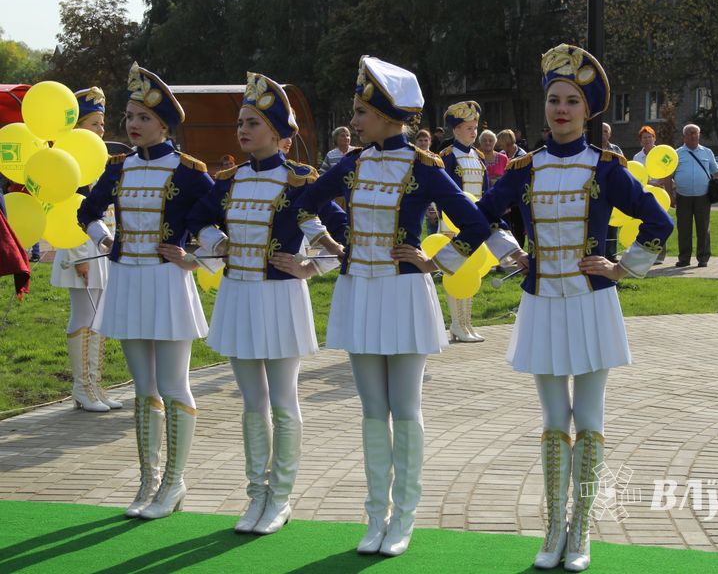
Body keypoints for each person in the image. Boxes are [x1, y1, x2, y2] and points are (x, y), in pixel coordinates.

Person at [477, 43, 673, 572]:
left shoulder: (606, 168)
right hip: (541, 304)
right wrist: (507, 251)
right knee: (551, 419)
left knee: (588, 419)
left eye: (571, 101)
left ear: (588, 111)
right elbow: (480, 214)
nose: (561, 109)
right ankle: (553, 528)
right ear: (544, 106)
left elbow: (660, 221)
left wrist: (622, 267)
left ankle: (581, 529)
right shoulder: (524, 168)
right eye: (554, 100)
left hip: (592, 305)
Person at [294, 55, 490, 557]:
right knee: (370, 411)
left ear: (385, 116)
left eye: (361, 112)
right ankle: (374, 515)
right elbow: (305, 204)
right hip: (359, 291)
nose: (354, 121)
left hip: (403, 295)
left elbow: (476, 224)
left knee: (404, 409)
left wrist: (434, 260)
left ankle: (403, 517)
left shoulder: (423, 167)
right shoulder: (352, 164)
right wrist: (332, 244)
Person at [186, 72, 347, 535]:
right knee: (252, 404)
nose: (243, 130)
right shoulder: (229, 180)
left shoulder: (301, 181)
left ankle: (280, 498)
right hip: (238, 295)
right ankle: (255, 494)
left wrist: (312, 267)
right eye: (241, 122)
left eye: (253, 122)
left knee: (283, 401)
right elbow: (197, 220)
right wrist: (217, 244)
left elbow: (345, 235)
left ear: (278, 133)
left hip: (281, 298)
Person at [77, 63, 214, 520]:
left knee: (174, 384)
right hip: (127, 281)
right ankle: (148, 481)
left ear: (164, 125)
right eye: (130, 116)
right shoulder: (118, 168)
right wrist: (104, 238)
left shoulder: (190, 172)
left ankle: (174, 482)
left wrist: (193, 257)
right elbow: (87, 211)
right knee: (143, 388)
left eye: (143, 118)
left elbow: (218, 221)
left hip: (168, 283)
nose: (133, 124)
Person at [50, 87, 120, 413]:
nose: (101, 130)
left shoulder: (97, 158)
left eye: (102, 124)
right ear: (77, 127)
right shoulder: (70, 161)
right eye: (94, 123)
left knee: (98, 317)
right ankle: (81, 387)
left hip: (99, 248)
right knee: (84, 316)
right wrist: (80, 256)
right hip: (80, 250)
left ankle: (94, 384)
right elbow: (70, 211)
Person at [440, 101, 491, 343]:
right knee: (456, 271)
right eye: (469, 128)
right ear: (456, 129)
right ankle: (456, 322)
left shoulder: (478, 157)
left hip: (476, 221)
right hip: (453, 223)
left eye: (475, 127)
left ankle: (467, 323)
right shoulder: (447, 157)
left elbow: (486, 191)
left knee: (472, 271)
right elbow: (443, 191)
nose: (474, 132)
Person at [671, 124, 718, 267]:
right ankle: (684, 259)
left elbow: (717, 171)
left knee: (703, 229)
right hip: (683, 197)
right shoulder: (676, 154)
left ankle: (703, 258)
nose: (693, 135)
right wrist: (670, 196)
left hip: (703, 197)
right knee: (684, 229)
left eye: (696, 133)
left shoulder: (707, 152)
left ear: (699, 135)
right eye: (690, 133)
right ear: (684, 137)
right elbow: (668, 177)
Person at [633, 126, 671, 264]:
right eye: (645, 137)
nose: (647, 140)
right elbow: (636, 176)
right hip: (644, 194)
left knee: (662, 223)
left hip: (661, 195)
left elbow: (668, 172)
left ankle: (660, 255)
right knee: (645, 224)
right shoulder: (637, 157)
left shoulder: (662, 153)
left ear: (654, 138)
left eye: (650, 137)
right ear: (641, 141)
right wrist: (651, 182)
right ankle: (644, 255)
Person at [601, 122, 624, 261]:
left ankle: (611, 254)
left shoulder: (615, 149)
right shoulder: (590, 148)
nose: (603, 134)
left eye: (605, 131)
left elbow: (623, 168)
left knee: (612, 224)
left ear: (609, 134)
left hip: (613, 191)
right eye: (601, 131)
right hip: (595, 191)